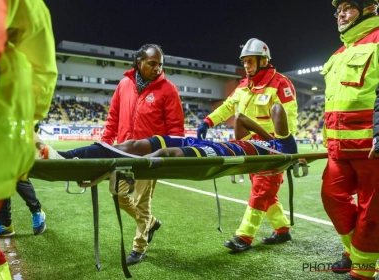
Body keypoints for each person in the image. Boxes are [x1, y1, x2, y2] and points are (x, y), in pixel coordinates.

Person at [0, 0, 58, 279]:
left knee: (11, 176)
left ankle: (36, 212)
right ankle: (7, 224)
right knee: (3, 177)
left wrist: (31, 122)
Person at [197, 38, 298, 253]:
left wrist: (287, 145)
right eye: (244, 62)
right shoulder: (243, 86)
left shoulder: (280, 83)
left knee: (261, 190)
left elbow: (290, 117)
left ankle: (244, 236)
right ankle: (282, 229)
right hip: (251, 147)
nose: (246, 65)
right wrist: (208, 121)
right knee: (264, 191)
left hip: (273, 148)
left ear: (264, 61)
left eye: (250, 61)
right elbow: (226, 107)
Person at [100, 44, 184, 266]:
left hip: (149, 158)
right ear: (139, 62)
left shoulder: (168, 90)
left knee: (142, 202)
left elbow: (176, 130)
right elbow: (113, 118)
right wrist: (106, 145)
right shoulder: (124, 84)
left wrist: (170, 156)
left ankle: (139, 247)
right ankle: (152, 223)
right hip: (123, 156)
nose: (157, 68)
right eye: (152, 63)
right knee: (118, 195)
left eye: (160, 64)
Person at [320, 1, 379, 280]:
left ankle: (363, 271)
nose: (340, 14)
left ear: (368, 8)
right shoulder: (338, 53)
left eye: (347, 7)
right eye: (338, 10)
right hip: (338, 147)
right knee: (331, 197)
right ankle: (355, 251)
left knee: (372, 211)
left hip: (371, 148)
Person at [39, 104, 297, 160]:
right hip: (210, 142)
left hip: (220, 150)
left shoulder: (286, 147)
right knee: (132, 144)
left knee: (167, 154)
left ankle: (133, 169)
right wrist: (268, 138)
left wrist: (278, 140)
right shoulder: (265, 143)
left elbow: (276, 108)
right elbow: (240, 117)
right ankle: (64, 155)